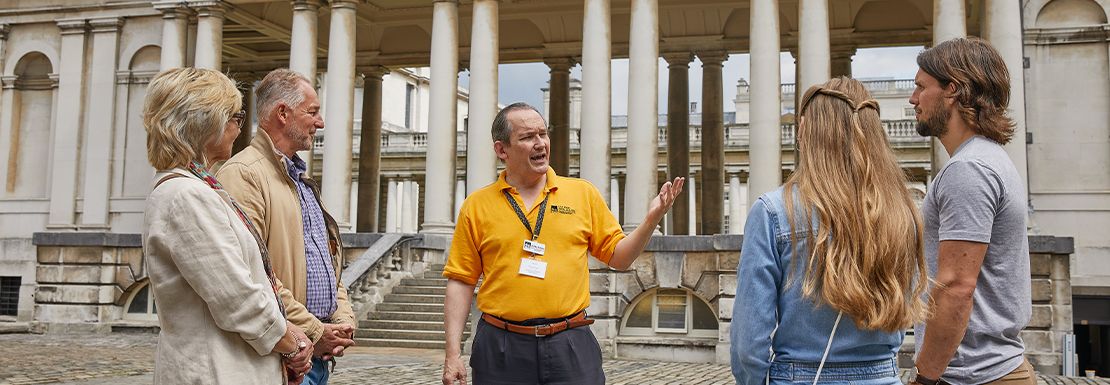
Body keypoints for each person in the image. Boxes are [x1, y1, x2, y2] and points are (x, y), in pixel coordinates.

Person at [441, 102, 684, 385]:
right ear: (502, 149)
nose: (540, 143)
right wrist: (452, 353)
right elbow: (461, 281)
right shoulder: (477, 205)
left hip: (570, 343)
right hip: (501, 346)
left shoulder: (582, 194)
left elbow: (620, 258)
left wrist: (651, 220)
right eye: (527, 137)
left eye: (543, 134)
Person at [730, 77, 930, 385]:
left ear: (806, 130)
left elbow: (748, 344)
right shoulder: (902, 211)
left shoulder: (773, 211)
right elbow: (905, 309)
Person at [142, 67, 313, 384]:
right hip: (216, 371)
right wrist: (293, 344)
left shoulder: (197, 188)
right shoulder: (186, 195)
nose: (239, 127)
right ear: (206, 123)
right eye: (235, 117)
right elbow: (237, 298)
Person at [217, 68, 356, 385]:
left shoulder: (300, 180)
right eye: (313, 112)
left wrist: (343, 320)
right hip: (281, 358)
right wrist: (317, 331)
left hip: (313, 357)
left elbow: (329, 261)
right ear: (283, 113)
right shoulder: (243, 174)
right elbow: (253, 274)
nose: (320, 122)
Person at [909, 37, 1033, 385]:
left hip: (974, 375)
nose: (913, 98)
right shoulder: (987, 158)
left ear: (952, 90)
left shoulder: (968, 169)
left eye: (921, 87)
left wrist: (924, 378)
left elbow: (956, 287)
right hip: (992, 370)